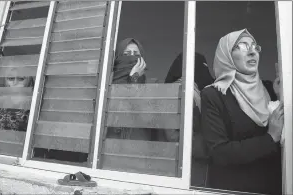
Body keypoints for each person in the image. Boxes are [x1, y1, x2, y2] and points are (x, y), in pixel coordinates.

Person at [201, 29, 282, 194]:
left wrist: (283, 96)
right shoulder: (214, 95)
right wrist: (269, 138)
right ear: (227, 55)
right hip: (234, 188)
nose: (252, 51)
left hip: (273, 186)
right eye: (243, 46)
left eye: (254, 47)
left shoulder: (270, 89)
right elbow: (219, 152)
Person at [163, 52, 214, 187]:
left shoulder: (197, 91)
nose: (205, 71)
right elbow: (173, 136)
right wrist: (208, 145)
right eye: (201, 67)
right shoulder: (178, 92)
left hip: (196, 162)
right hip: (186, 166)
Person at [106, 38, 151, 140]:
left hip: (136, 142)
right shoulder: (108, 82)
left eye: (136, 54)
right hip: (112, 141)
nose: (131, 57)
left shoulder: (147, 85)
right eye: (126, 54)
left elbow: (144, 115)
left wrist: (134, 78)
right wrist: (134, 77)